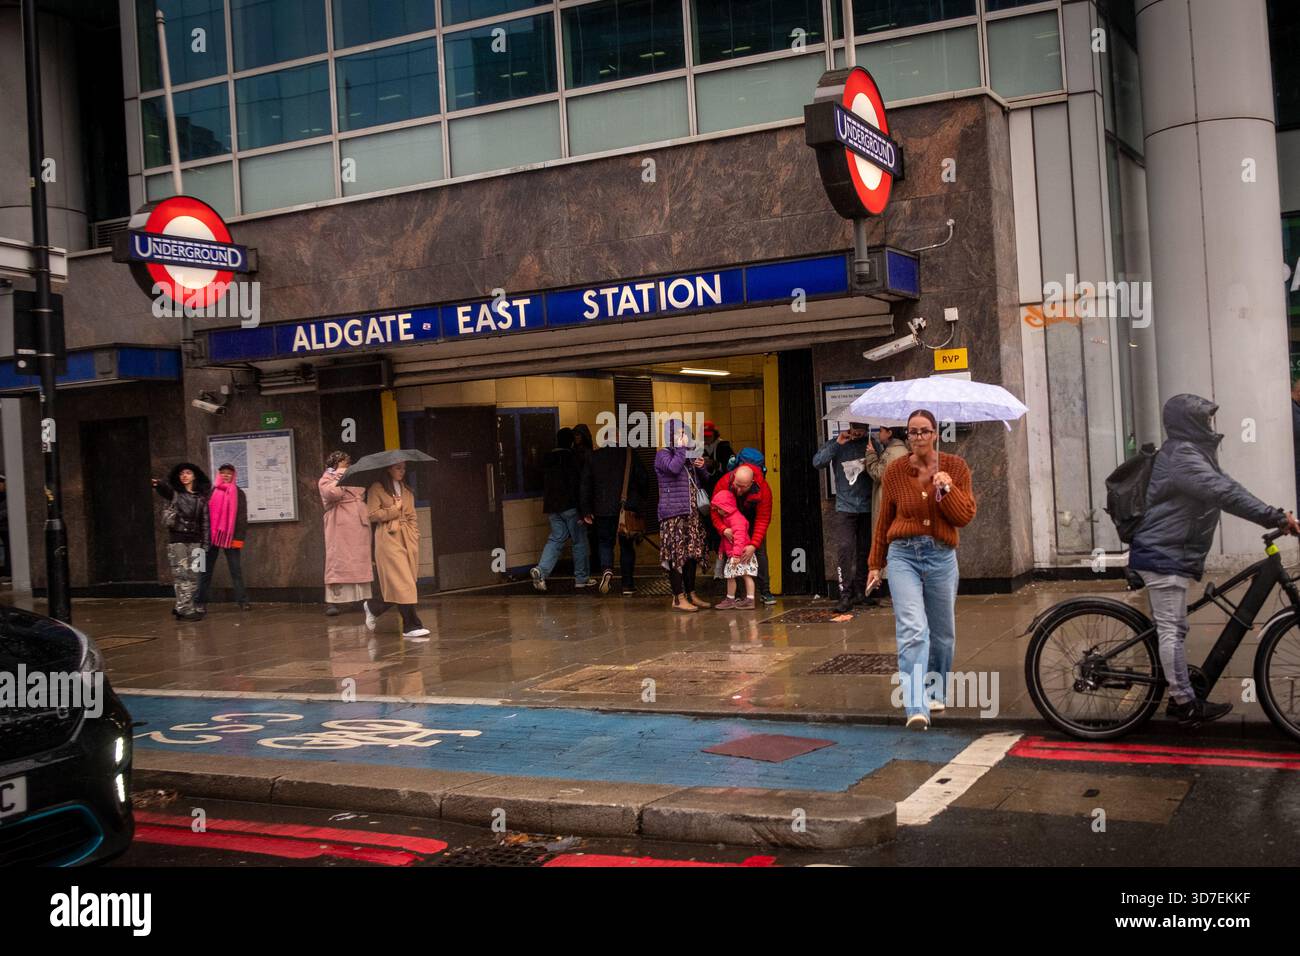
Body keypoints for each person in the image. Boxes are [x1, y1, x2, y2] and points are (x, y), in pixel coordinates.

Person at [1129, 393, 1300, 726]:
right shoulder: (1182, 456)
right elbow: (1223, 493)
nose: (1210, 424)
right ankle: (1183, 702)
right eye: (1204, 419)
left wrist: (1274, 513)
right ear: (1189, 422)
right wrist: (1273, 518)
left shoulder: (1192, 452)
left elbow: (1227, 485)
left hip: (1173, 550)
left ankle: (1183, 693)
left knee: (1174, 626)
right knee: (1172, 630)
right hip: (1163, 552)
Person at [867, 410, 977, 730]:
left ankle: (935, 691)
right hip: (903, 556)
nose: (918, 438)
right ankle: (916, 706)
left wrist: (947, 490)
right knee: (914, 629)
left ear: (935, 434)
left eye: (924, 431)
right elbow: (884, 519)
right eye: (912, 432)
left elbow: (964, 517)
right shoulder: (896, 470)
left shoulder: (955, 467)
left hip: (941, 556)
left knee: (943, 634)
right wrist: (876, 563)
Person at [813, 421, 874, 613]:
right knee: (845, 549)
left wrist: (873, 451)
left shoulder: (872, 443)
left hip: (867, 505)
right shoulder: (838, 442)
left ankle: (862, 592)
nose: (857, 433)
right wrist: (837, 443)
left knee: (865, 549)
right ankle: (845, 595)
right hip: (845, 507)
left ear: (866, 429)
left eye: (861, 430)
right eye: (854, 429)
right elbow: (818, 462)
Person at [363, 461, 429, 639]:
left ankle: (373, 607)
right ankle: (411, 626)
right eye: (398, 468)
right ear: (388, 469)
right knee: (403, 582)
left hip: (407, 537)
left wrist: (415, 533)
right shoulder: (376, 488)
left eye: (404, 468)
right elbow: (371, 514)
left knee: (401, 583)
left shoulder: (406, 489)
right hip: (388, 538)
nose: (402, 471)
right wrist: (394, 509)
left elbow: (412, 515)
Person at [655, 418, 712, 611]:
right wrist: (681, 449)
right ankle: (678, 598)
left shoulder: (688, 455)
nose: (684, 437)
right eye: (679, 433)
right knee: (676, 557)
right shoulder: (662, 455)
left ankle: (691, 593)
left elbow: (704, 480)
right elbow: (673, 468)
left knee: (691, 556)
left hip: (691, 514)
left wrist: (701, 466)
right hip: (673, 514)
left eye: (685, 433)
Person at [530, 427, 593, 592]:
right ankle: (581, 578)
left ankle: (541, 570)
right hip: (571, 507)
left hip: (552, 507)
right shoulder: (572, 458)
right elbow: (577, 485)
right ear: (571, 441)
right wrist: (583, 510)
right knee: (579, 541)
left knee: (556, 539)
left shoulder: (548, 458)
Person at [587, 436, 649, 595]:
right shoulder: (629, 454)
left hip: (602, 509)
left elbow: (585, 484)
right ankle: (627, 585)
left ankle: (607, 569)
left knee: (605, 542)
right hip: (625, 509)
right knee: (626, 546)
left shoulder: (594, 456)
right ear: (618, 439)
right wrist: (639, 502)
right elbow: (644, 479)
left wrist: (586, 510)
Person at [152, 462, 211, 621]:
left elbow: (205, 523)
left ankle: (182, 607)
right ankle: (186, 608)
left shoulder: (202, 499)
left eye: (188, 473)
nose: (184, 476)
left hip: (197, 543)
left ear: (194, 476)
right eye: (181, 473)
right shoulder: (175, 494)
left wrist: (206, 545)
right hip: (178, 541)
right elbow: (165, 490)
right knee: (182, 575)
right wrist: (158, 484)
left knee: (195, 577)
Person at [710, 461, 775, 604]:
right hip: (729, 523)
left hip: (750, 519)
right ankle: (737, 594)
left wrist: (753, 544)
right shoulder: (724, 482)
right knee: (731, 554)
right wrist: (723, 529)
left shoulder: (764, 489)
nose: (738, 491)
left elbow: (763, 519)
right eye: (736, 486)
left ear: (752, 483)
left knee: (759, 552)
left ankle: (765, 592)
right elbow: (714, 509)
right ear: (733, 478)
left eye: (743, 487)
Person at [319, 451, 372, 616]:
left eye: (347, 463)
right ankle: (334, 601)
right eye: (343, 463)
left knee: (359, 559)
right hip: (339, 524)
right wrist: (341, 475)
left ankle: (361, 598)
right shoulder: (327, 478)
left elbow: (362, 489)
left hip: (358, 522)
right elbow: (333, 493)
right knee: (339, 560)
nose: (346, 465)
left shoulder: (356, 475)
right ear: (334, 464)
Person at [195, 463, 250, 613]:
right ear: (219, 474)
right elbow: (204, 515)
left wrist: (238, 539)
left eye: (229, 473)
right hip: (211, 536)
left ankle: (242, 601)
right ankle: (200, 602)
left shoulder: (239, 493)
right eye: (223, 473)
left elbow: (241, 518)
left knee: (235, 571)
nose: (226, 475)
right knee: (205, 570)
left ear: (234, 475)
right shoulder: (211, 492)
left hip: (230, 537)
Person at [711, 488, 758, 608]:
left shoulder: (736, 520)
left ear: (727, 507)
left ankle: (744, 599)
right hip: (735, 554)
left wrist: (736, 555)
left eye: (719, 508)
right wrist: (721, 550)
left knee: (741, 575)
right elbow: (726, 539)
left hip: (740, 554)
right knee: (735, 575)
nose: (718, 511)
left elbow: (740, 539)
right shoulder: (728, 518)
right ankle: (739, 599)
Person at [571, 423, 598, 589]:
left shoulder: (575, 454)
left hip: (580, 498)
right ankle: (587, 571)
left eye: (578, 435)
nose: (576, 438)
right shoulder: (589, 454)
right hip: (587, 499)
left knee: (582, 539)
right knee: (586, 538)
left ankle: (586, 571)